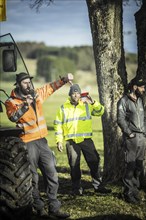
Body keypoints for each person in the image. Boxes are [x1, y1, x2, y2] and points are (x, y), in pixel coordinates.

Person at [5, 72, 73, 219]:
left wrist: (64, 80)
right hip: (27, 142)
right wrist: (25, 105)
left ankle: (54, 208)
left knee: (52, 174)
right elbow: (13, 117)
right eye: (25, 83)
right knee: (33, 178)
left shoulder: (36, 94)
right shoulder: (11, 101)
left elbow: (50, 87)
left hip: (42, 141)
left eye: (29, 82)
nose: (28, 85)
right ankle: (40, 208)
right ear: (18, 85)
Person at [54, 84, 112, 195]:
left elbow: (100, 111)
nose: (75, 95)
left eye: (77, 93)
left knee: (94, 161)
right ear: (70, 94)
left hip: (86, 139)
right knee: (74, 165)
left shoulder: (86, 105)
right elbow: (58, 125)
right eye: (73, 93)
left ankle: (98, 186)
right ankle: (76, 188)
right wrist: (59, 141)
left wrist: (93, 102)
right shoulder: (63, 108)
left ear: (80, 94)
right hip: (71, 141)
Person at [117, 76, 146, 204]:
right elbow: (120, 119)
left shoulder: (140, 100)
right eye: (142, 87)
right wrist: (129, 133)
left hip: (142, 138)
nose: (144, 89)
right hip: (131, 138)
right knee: (130, 165)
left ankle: (134, 190)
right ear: (135, 87)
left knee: (139, 165)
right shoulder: (123, 101)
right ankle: (127, 193)